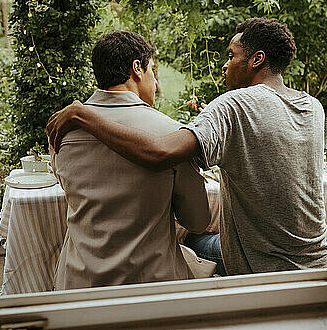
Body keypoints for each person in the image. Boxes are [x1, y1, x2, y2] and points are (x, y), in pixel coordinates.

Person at [48, 18, 327, 275]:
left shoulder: (234, 105)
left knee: (191, 238)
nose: (225, 64)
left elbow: (158, 153)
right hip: (317, 259)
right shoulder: (312, 107)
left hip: (262, 267)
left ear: (257, 59)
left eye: (232, 56)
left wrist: (82, 113)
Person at [49, 31, 211, 290]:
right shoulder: (172, 134)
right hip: (152, 287)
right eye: (153, 72)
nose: (156, 84)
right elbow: (197, 221)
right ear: (137, 69)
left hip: (78, 284)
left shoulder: (62, 131)